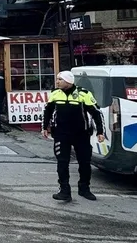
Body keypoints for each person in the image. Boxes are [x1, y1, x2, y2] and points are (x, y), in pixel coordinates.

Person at [42, 71, 105, 202]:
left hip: (81, 134)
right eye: (57, 79)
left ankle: (84, 189)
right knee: (62, 162)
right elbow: (47, 110)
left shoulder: (83, 94)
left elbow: (96, 113)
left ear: (69, 81)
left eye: (60, 79)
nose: (57, 81)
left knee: (85, 162)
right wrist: (44, 127)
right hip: (61, 134)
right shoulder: (55, 94)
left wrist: (100, 131)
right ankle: (64, 190)